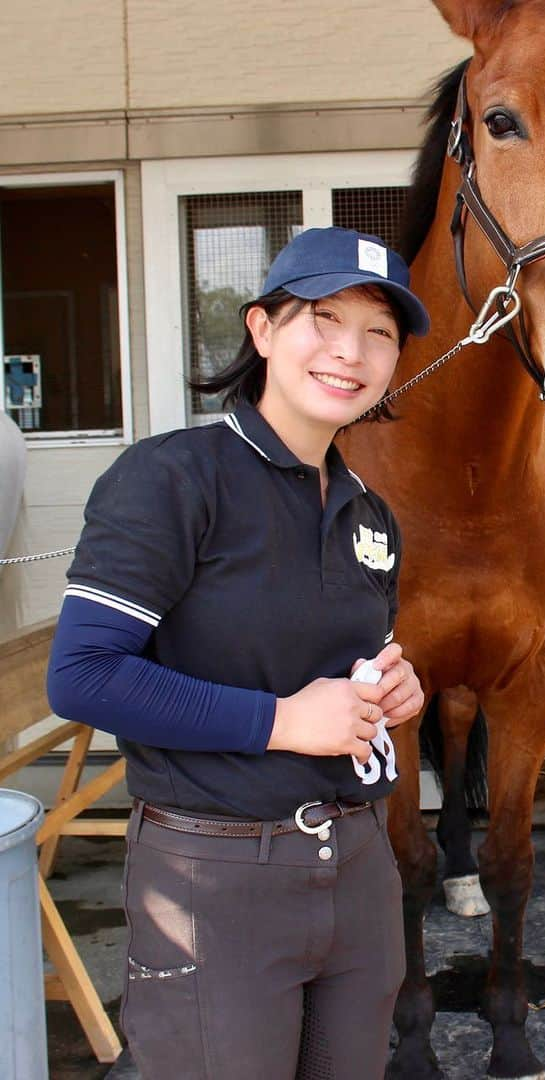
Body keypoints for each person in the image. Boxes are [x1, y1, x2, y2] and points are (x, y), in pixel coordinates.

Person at [47, 227, 431, 1080]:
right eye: (323, 318)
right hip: (214, 877)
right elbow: (82, 675)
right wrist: (282, 722)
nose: (350, 351)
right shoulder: (172, 479)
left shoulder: (371, 514)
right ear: (261, 330)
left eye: (380, 333)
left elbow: (346, 663)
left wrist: (392, 688)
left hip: (360, 867)